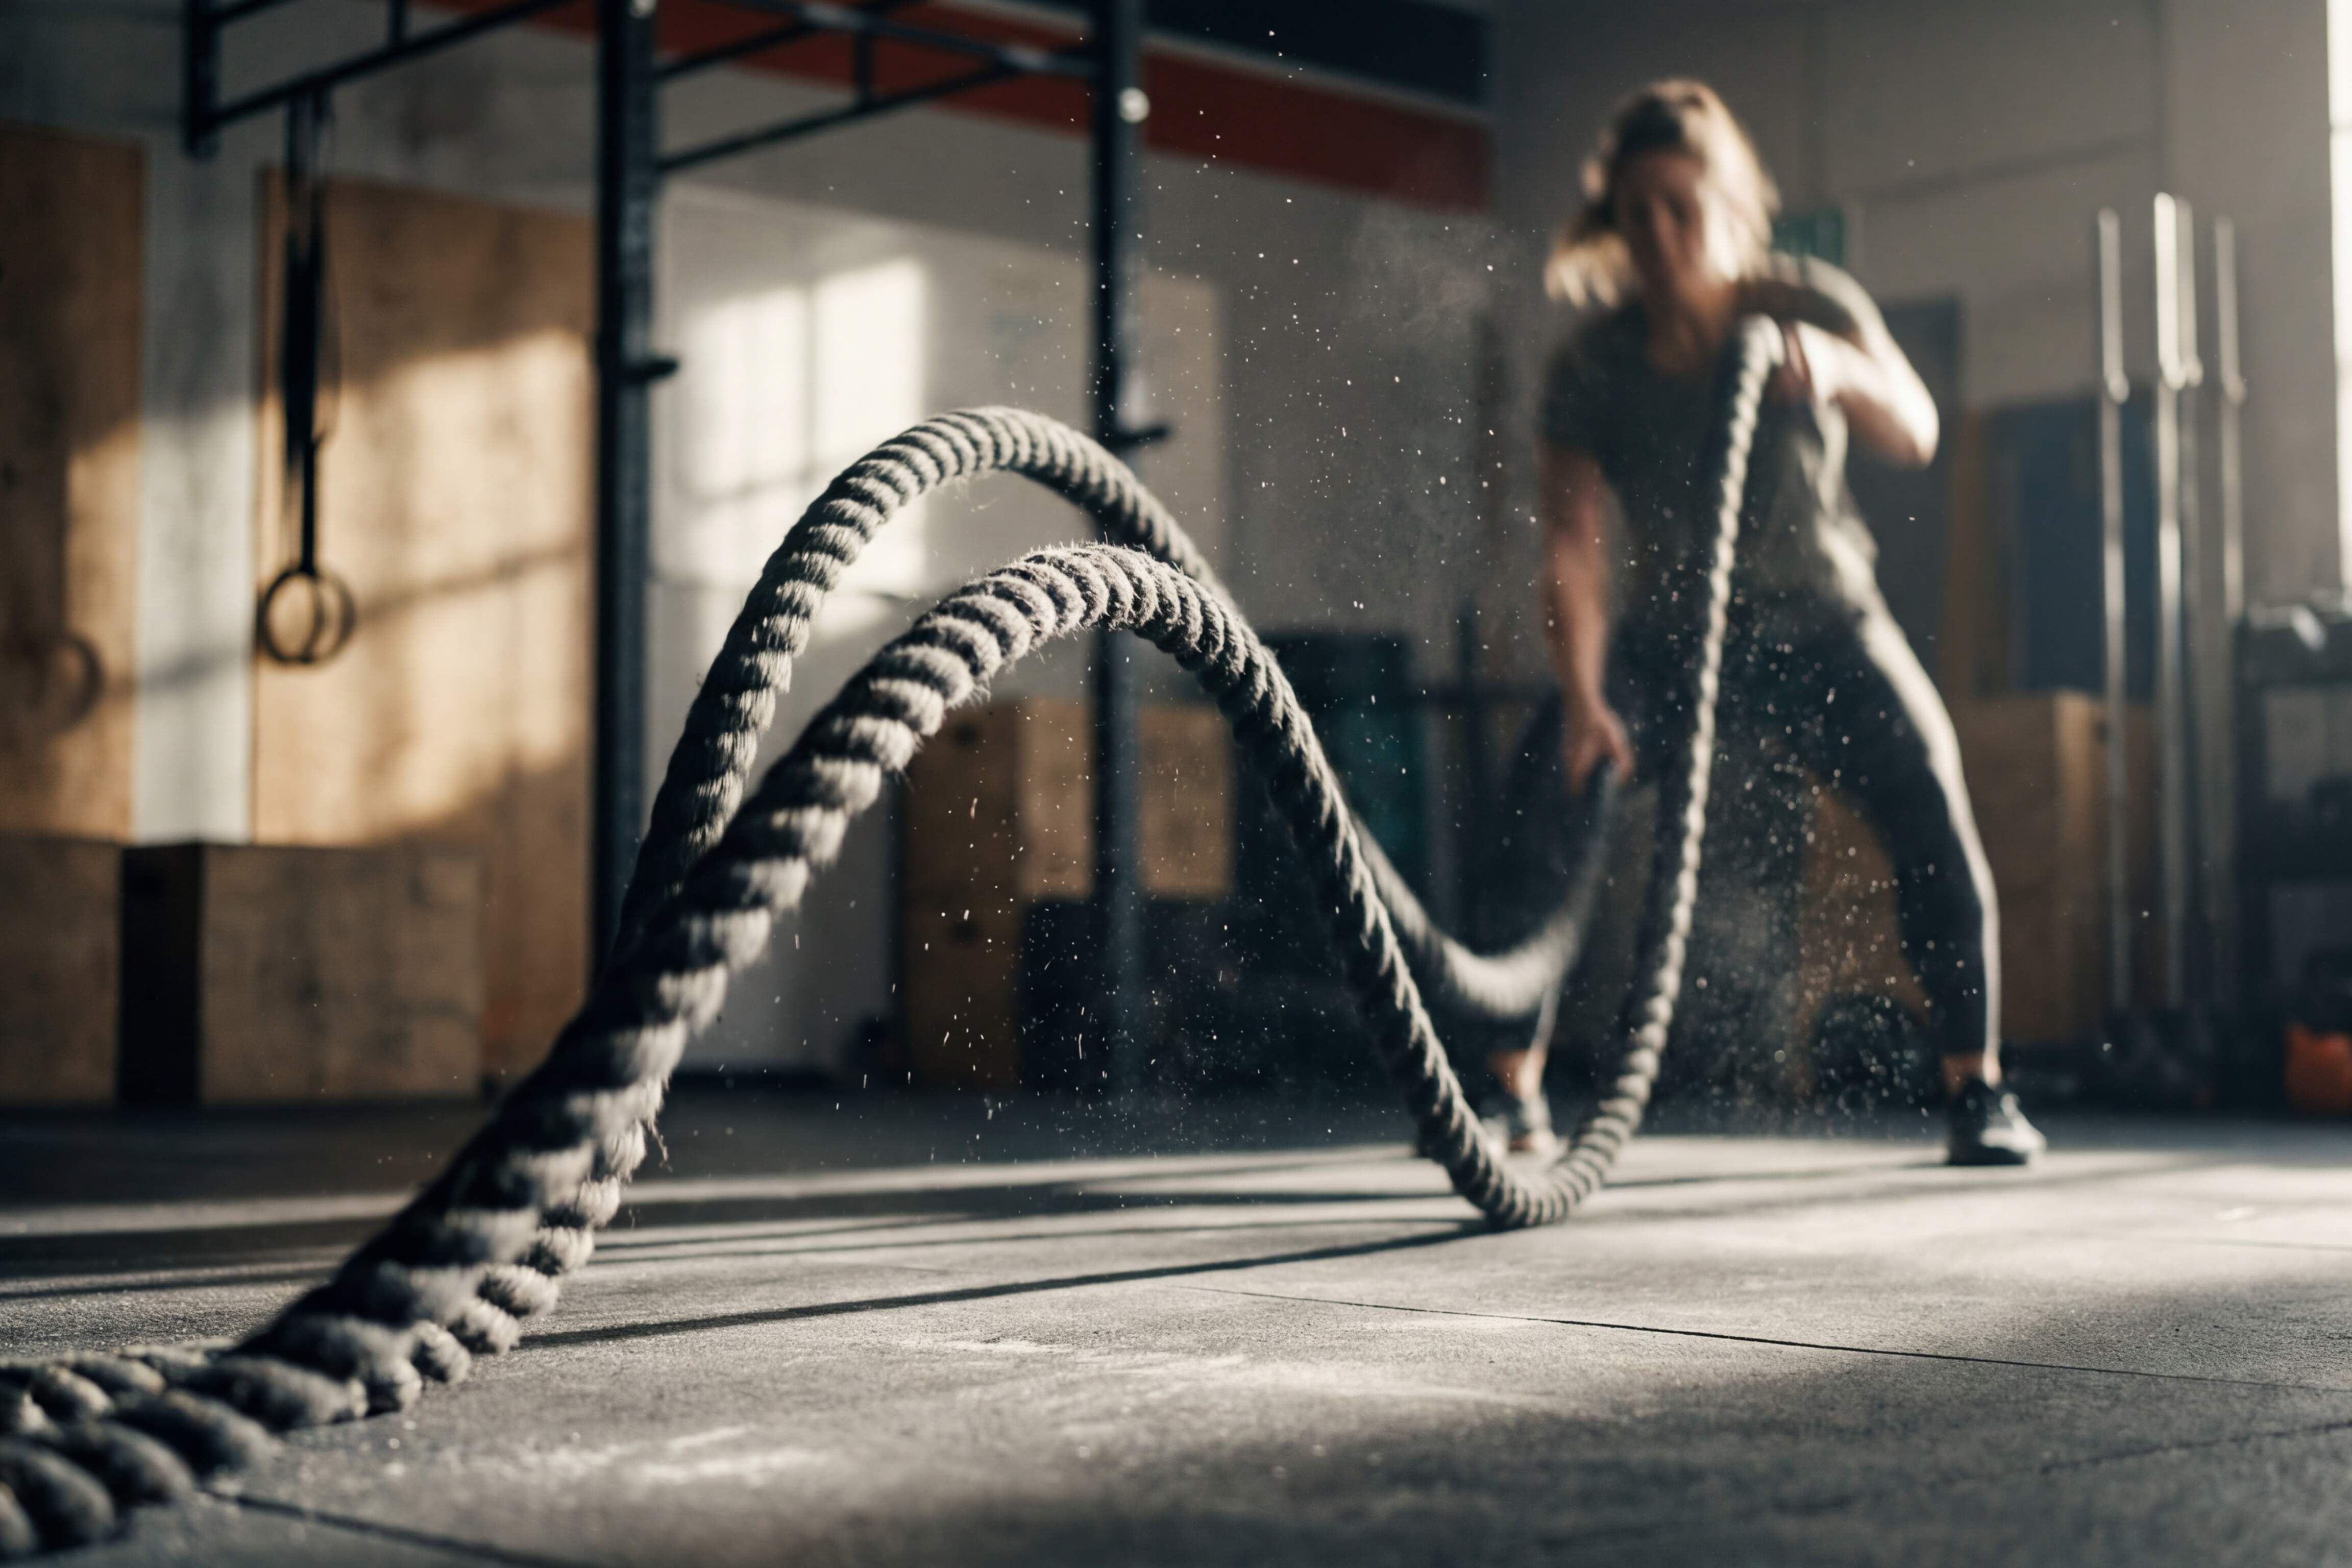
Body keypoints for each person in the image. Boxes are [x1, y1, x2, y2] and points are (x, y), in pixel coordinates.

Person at [1494, 79, 2044, 1166]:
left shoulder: (1805, 304)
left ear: (1731, 210)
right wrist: (1588, 697)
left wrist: (1835, 372)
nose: (1656, 234)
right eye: (1635, 211)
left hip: (1825, 625)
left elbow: (1918, 429)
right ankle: (1507, 1088)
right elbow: (1572, 545)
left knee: (1930, 795)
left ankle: (1978, 1090)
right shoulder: (1593, 366)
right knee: (1542, 798)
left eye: (1680, 208)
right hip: (1676, 642)